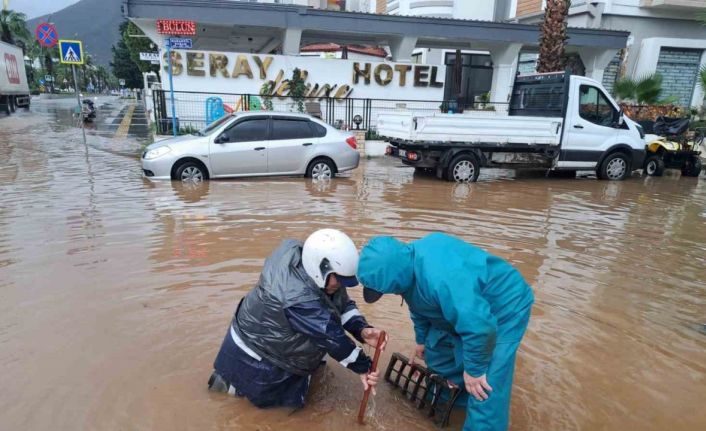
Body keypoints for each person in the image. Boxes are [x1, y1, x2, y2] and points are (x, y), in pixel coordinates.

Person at [357, 233, 533, 431]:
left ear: (396, 278)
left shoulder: (441, 278)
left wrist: (475, 371)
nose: (392, 293)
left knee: (484, 389)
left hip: (502, 308)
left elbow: (481, 327)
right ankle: (453, 404)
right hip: (468, 311)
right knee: (437, 353)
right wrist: (422, 340)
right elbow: (417, 305)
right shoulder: (405, 266)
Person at [208, 229, 386, 409]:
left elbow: (341, 304)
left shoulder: (313, 268)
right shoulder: (298, 298)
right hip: (257, 362)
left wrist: (361, 329)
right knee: (268, 413)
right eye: (339, 279)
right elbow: (332, 338)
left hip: (277, 346)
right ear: (321, 268)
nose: (341, 285)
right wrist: (365, 367)